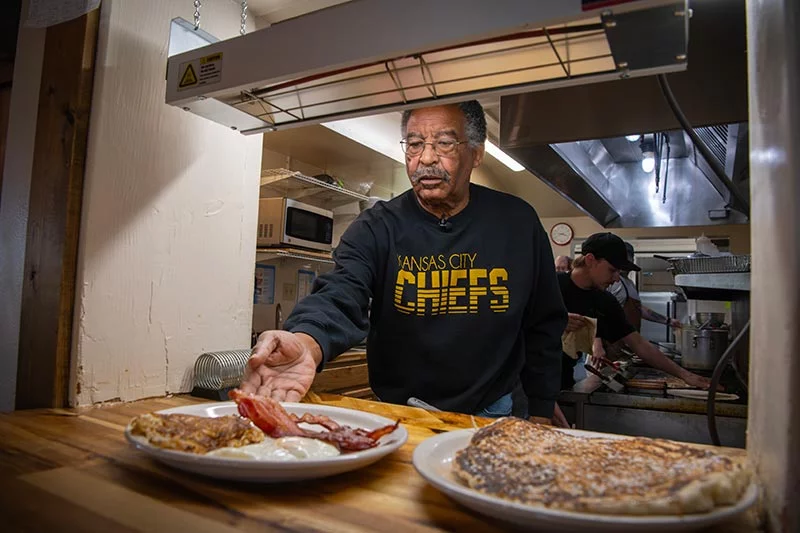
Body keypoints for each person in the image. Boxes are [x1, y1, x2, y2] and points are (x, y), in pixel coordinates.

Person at [241, 101, 568, 426]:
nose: (426, 159)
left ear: (476, 153)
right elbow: (340, 294)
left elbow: (543, 323)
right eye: (414, 144)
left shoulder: (517, 223)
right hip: (401, 413)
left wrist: (541, 405)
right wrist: (306, 341)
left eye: (444, 143)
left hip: (492, 411)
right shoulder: (376, 227)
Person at [559, 232, 713, 391]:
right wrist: (557, 320)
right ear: (590, 260)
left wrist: (686, 375)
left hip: (562, 381)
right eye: (612, 270)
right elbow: (532, 320)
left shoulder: (605, 301)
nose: (617, 278)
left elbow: (638, 343)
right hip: (532, 380)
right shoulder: (552, 286)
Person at [607, 242, 682, 332]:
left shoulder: (630, 283)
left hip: (630, 339)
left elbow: (639, 309)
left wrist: (668, 321)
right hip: (619, 339)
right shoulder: (616, 283)